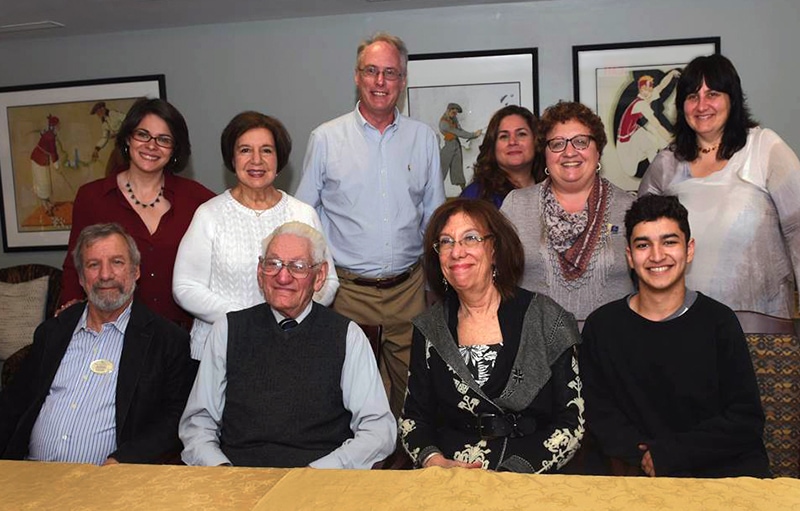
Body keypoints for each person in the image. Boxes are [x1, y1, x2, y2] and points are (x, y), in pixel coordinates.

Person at [296, 32, 444, 416]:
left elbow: (434, 218)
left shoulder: (424, 139)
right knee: (351, 396)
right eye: (372, 71)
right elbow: (302, 218)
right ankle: (363, 474)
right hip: (346, 293)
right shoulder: (326, 138)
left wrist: (433, 286)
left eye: (390, 73)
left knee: (413, 395)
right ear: (357, 77)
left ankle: (405, 468)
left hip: (409, 289)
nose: (381, 82)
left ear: (403, 80)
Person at [580, 195, 770, 478]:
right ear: (630, 257)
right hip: (636, 472)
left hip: (722, 473)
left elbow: (745, 418)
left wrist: (671, 454)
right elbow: (597, 413)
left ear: (689, 250)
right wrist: (645, 456)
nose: (657, 256)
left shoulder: (719, 322)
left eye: (669, 242)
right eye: (643, 245)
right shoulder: (603, 326)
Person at [179, 221, 395, 468]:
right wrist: (221, 470)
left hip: (318, 484)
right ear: (260, 271)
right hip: (238, 480)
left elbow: (378, 431)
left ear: (319, 276)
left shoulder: (347, 336)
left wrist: (319, 472)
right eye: (273, 264)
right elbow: (198, 424)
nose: (283, 277)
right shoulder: (227, 330)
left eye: (298, 266)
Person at [399, 199, 583, 472]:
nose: (457, 252)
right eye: (446, 242)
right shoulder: (429, 327)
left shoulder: (546, 318)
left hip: (531, 472)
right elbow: (413, 420)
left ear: (494, 249)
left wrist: (515, 473)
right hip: (451, 474)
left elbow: (572, 423)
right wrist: (435, 462)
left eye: (470, 238)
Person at [0, 223, 196, 465]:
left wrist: (123, 460)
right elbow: (13, 406)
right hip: (32, 477)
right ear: (82, 278)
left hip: (107, 485)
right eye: (94, 265)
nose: (105, 275)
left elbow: (175, 418)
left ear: (136, 271)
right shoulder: (52, 333)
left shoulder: (167, 341)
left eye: (117, 262)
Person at [638, 54, 800, 318]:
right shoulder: (667, 162)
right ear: (682, 106)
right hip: (683, 324)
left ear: (731, 99)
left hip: (761, 323)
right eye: (692, 96)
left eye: (712, 93)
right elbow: (640, 234)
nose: (702, 105)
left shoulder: (764, 147)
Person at [173, 111, 338, 360]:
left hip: (291, 346)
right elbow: (185, 287)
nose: (256, 160)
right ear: (232, 158)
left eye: (267, 150)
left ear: (279, 158)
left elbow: (328, 282)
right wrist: (248, 320)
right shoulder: (209, 214)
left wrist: (289, 315)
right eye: (245, 150)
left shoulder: (302, 213)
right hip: (222, 350)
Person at [59, 98, 215, 331]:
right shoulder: (92, 197)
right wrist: (68, 311)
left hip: (183, 338)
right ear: (127, 139)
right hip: (114, 332)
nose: (151, 146)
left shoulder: (197, 199)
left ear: (174, 149)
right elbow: (75, 264)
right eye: (143, 134)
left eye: (163, 139)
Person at [501, 101, 634, 321]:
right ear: (545, 153)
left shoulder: (629, 207)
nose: (569, 152)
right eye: (557, 144)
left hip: (613, 345)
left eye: (581, 142)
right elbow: (497, 279)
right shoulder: (516, 205)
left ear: (598, 150)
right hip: (536, 347)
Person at [461, 105, 542, 208]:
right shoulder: (475, 196)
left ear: (536, 140)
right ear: (493, 146)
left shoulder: (554, 190)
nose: (512, 142)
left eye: (521, 134)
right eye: (504, 136)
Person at [616, 70, 681, 178]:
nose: (649, 92)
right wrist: (671, 140)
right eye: (645, 89)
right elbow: (656, 124)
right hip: (626, 142)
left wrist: (671, 74)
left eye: (650, 89)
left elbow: (661, 86)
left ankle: (661, 171)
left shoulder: (648, 96)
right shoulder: (640, 104)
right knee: (651, 146)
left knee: (657, 142)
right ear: (640, 89)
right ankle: (658, 175)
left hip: (634, 131)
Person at [439, 102, 482, 189]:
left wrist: (472, 135)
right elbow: (458, 132)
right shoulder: (444, 123)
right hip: (448, 147)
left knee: (458, 169)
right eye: (453, 112)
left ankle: (463, 191)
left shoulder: (454, 119)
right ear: (448, 110)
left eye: (456, 113)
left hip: (456, 145)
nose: (454, 114)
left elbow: (460, 130)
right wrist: (474, 134)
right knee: (441, 170)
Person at [29, 114, 62, 217]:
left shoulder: (50, 134)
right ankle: (46, 206)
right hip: (38, 160)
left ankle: (48, 202)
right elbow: (53, 151)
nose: (59, 127)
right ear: (54, 126)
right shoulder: (50, 136)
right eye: (58, 125)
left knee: (45, 182)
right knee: (42, 183)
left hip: (42, 160)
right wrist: (56, 165)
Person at [89, 101, 127, 176]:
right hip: (118, 144)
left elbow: (127, 120)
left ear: (103, 108)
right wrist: (96, 149)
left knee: (121, 163)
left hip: (126, 142)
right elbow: (104, 137)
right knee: (109, 170)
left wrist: (119, 133)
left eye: (98, 111)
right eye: (97, 113)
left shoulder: (113, 114)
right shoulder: (104, 123)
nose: (98, 114)